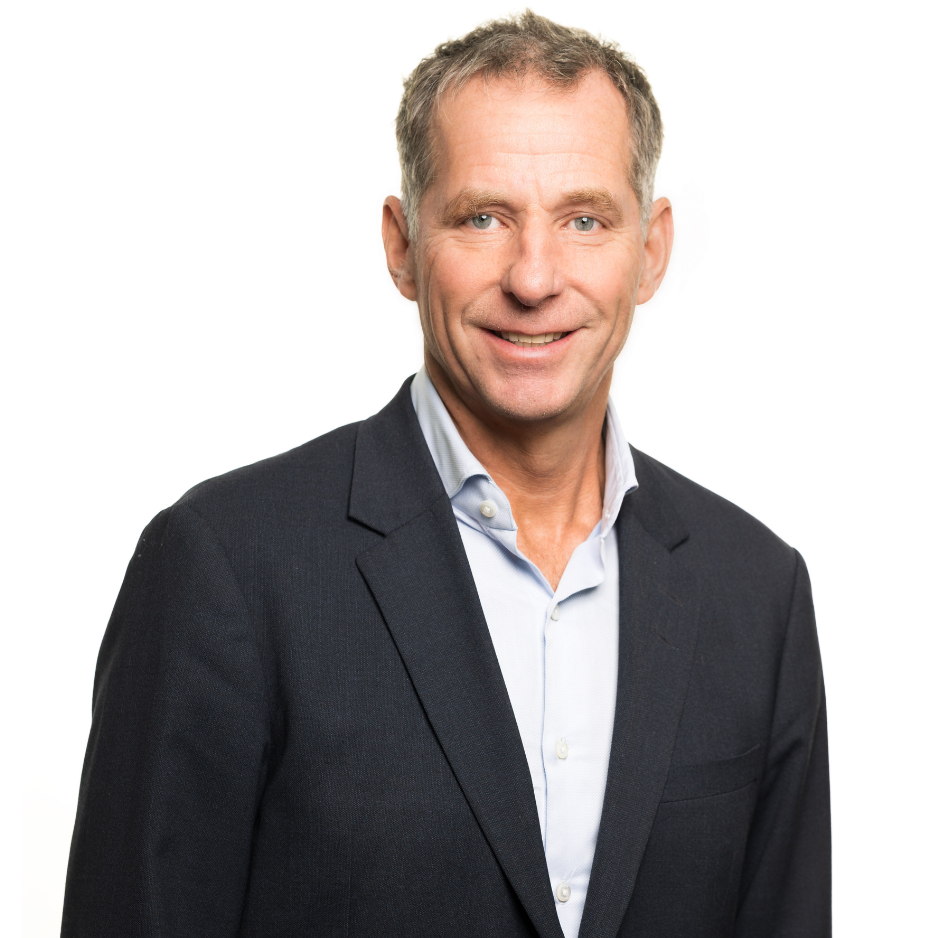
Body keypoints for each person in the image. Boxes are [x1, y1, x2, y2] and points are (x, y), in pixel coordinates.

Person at [62, 11, 830, 938]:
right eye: (483, 218)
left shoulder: (757, 593)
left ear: (651, 251)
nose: (535, 278)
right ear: (402, 246)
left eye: (585, 220)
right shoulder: (224, 569)